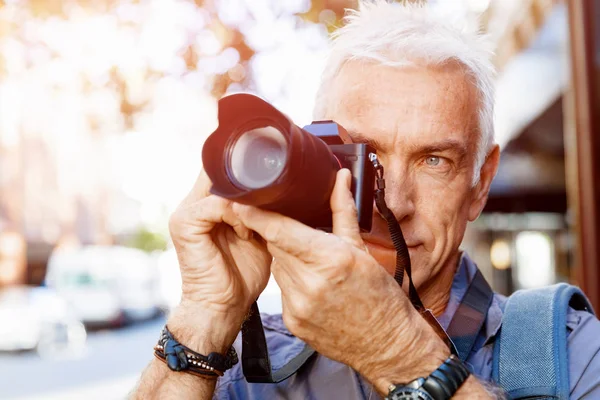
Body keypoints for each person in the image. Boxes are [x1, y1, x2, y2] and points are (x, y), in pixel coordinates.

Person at [131, 1, 600, 399]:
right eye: (364, 157)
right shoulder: (238, 368)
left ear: (480, 183)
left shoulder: (566, 351)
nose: (393, 203)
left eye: (434, 160)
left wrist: (397, 350)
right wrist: (203, 318)